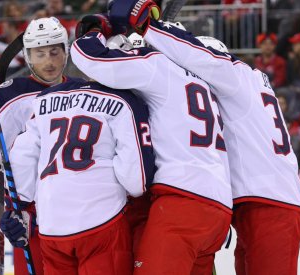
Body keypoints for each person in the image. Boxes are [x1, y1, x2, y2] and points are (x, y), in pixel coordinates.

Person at [112, 2, 300, 274]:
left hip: (270, 203)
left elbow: (196, 57)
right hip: (255, 203)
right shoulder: (245, 88)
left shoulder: (233, 77)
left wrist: (147, 26)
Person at [71, 14, 232, 275]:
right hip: (217, 207)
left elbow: (89, 57)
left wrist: (96, 30)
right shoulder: (205, 86)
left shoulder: (159, 67)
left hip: (181, 201)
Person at [0, 17, 80, 275]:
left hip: (80, 210)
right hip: (29, 217)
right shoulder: (13, 96)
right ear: (27, 56)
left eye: (55, 51)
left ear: (66, 51)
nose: (48, 60)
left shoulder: (83, 92)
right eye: (40, 53)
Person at [4, 77, 155, 275]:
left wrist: (21, 203)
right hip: (102, 221)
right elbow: (136, 181)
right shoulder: (124, 100)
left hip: (52, 226)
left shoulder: (44, 99)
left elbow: (22, 155)